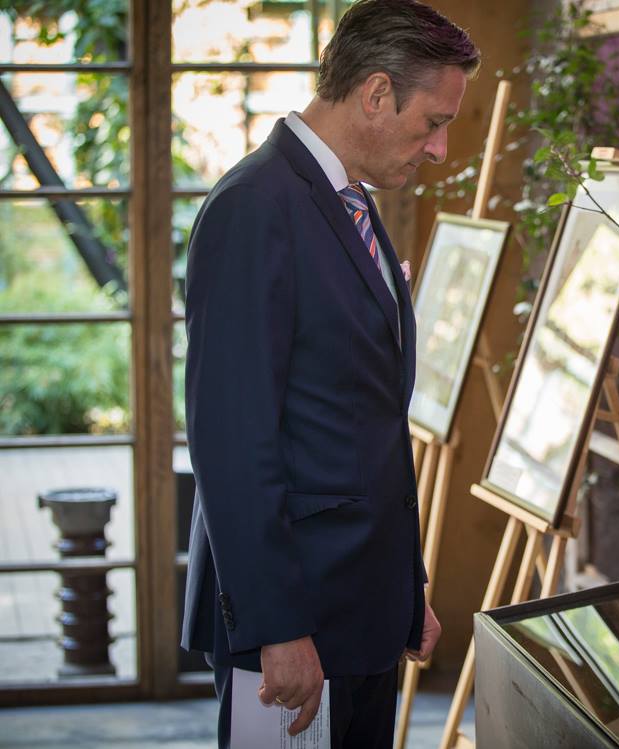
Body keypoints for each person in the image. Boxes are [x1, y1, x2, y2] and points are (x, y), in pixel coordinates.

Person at [179, 2, 480, 746]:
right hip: (295, 626)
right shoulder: (254, 206)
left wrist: (404, 588)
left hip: (362, 610)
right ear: (376, 93)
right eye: (434, 122)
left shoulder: (350, 201)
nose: (439, 149)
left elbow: (363, 420)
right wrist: (277, 626)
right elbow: (231, 440)